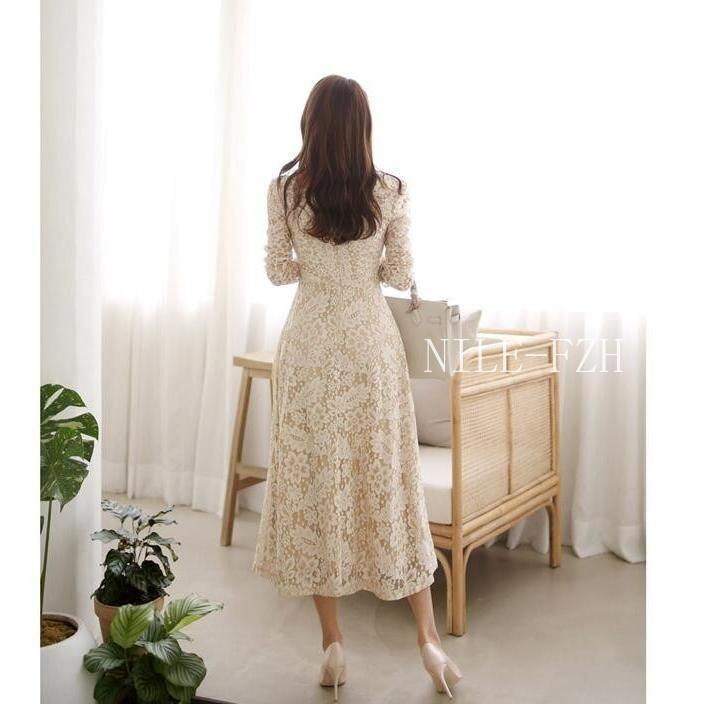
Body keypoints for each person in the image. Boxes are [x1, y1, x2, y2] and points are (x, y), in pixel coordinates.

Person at [251, 74, 462, 700]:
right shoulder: (390, 189)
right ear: (363, 127)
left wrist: (317, 264)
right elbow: (399, 272)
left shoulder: (286, 190)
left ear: (310, 124)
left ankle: (333, 645)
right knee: (389, 480)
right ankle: (428, 641)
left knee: (320, 484)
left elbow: (276, 271)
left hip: (310, 347)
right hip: (371, 348)